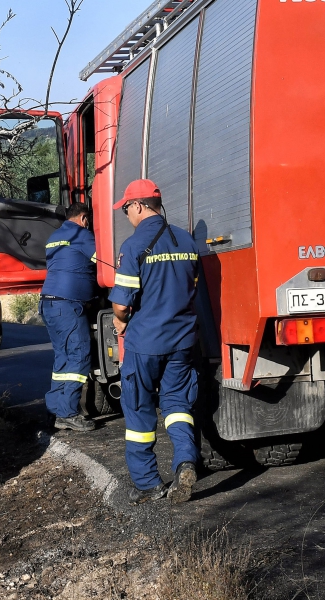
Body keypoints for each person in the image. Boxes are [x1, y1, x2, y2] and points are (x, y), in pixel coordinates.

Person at [109, 179, 200, 505]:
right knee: (177, 405)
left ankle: (148, 484)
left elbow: (121, 304)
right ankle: (186, 461)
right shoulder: (187, 240)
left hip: (145, 343)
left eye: (126, 209)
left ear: (137, 207)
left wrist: (120, 320)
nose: (127, 215)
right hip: (182, 341)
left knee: (138, 411)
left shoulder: (134, 247)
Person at [39, 202, 98, 432]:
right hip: (67, 306)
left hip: (49, 303)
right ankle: (68, 412)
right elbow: (101, 260)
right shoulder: (81, 234)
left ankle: (55, 409)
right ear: (84, 218)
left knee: (62, 358)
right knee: (79, 356)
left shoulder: (54, 237)